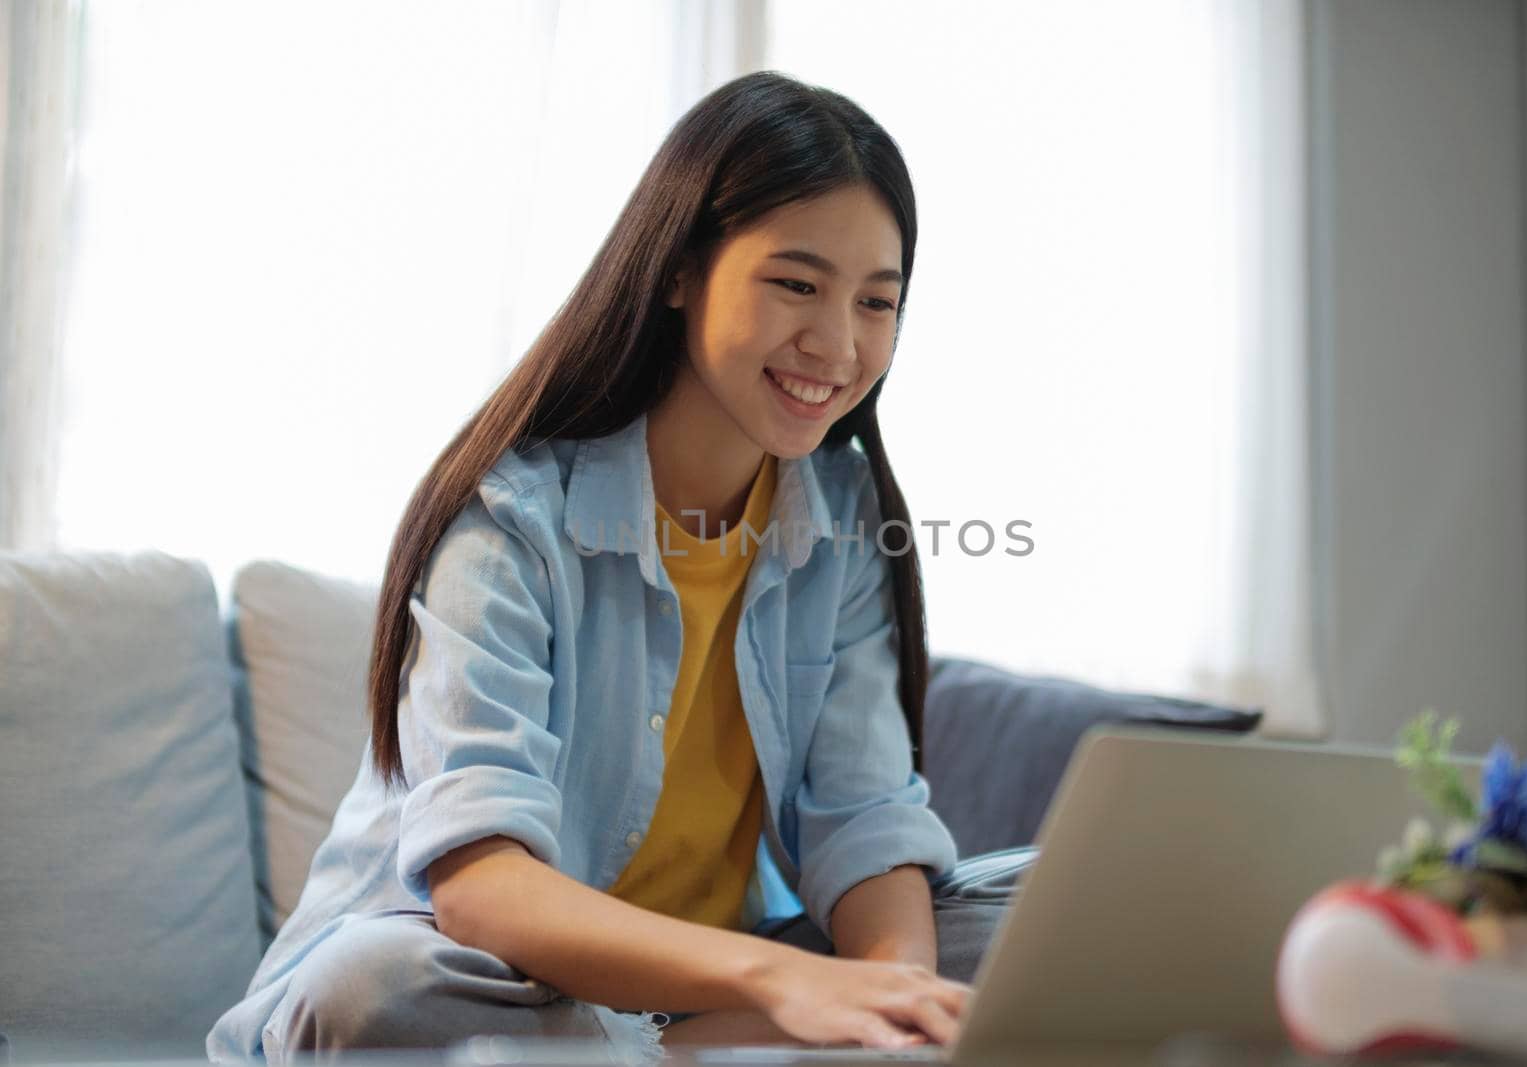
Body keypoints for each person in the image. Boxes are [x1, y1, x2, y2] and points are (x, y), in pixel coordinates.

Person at [205, 70, 1036, 1064]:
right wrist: (787, 982)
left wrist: (890, 996)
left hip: (714, 970)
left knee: (1037, 907)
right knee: (370, 988)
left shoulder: (840, 509)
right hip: (496, 970)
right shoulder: (509, 514)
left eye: (876, 301)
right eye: (795, 283)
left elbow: (863, 814)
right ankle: (694, 1042)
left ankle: (682, 1042)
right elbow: (480, 884)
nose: (839, 342)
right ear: (680, 270)